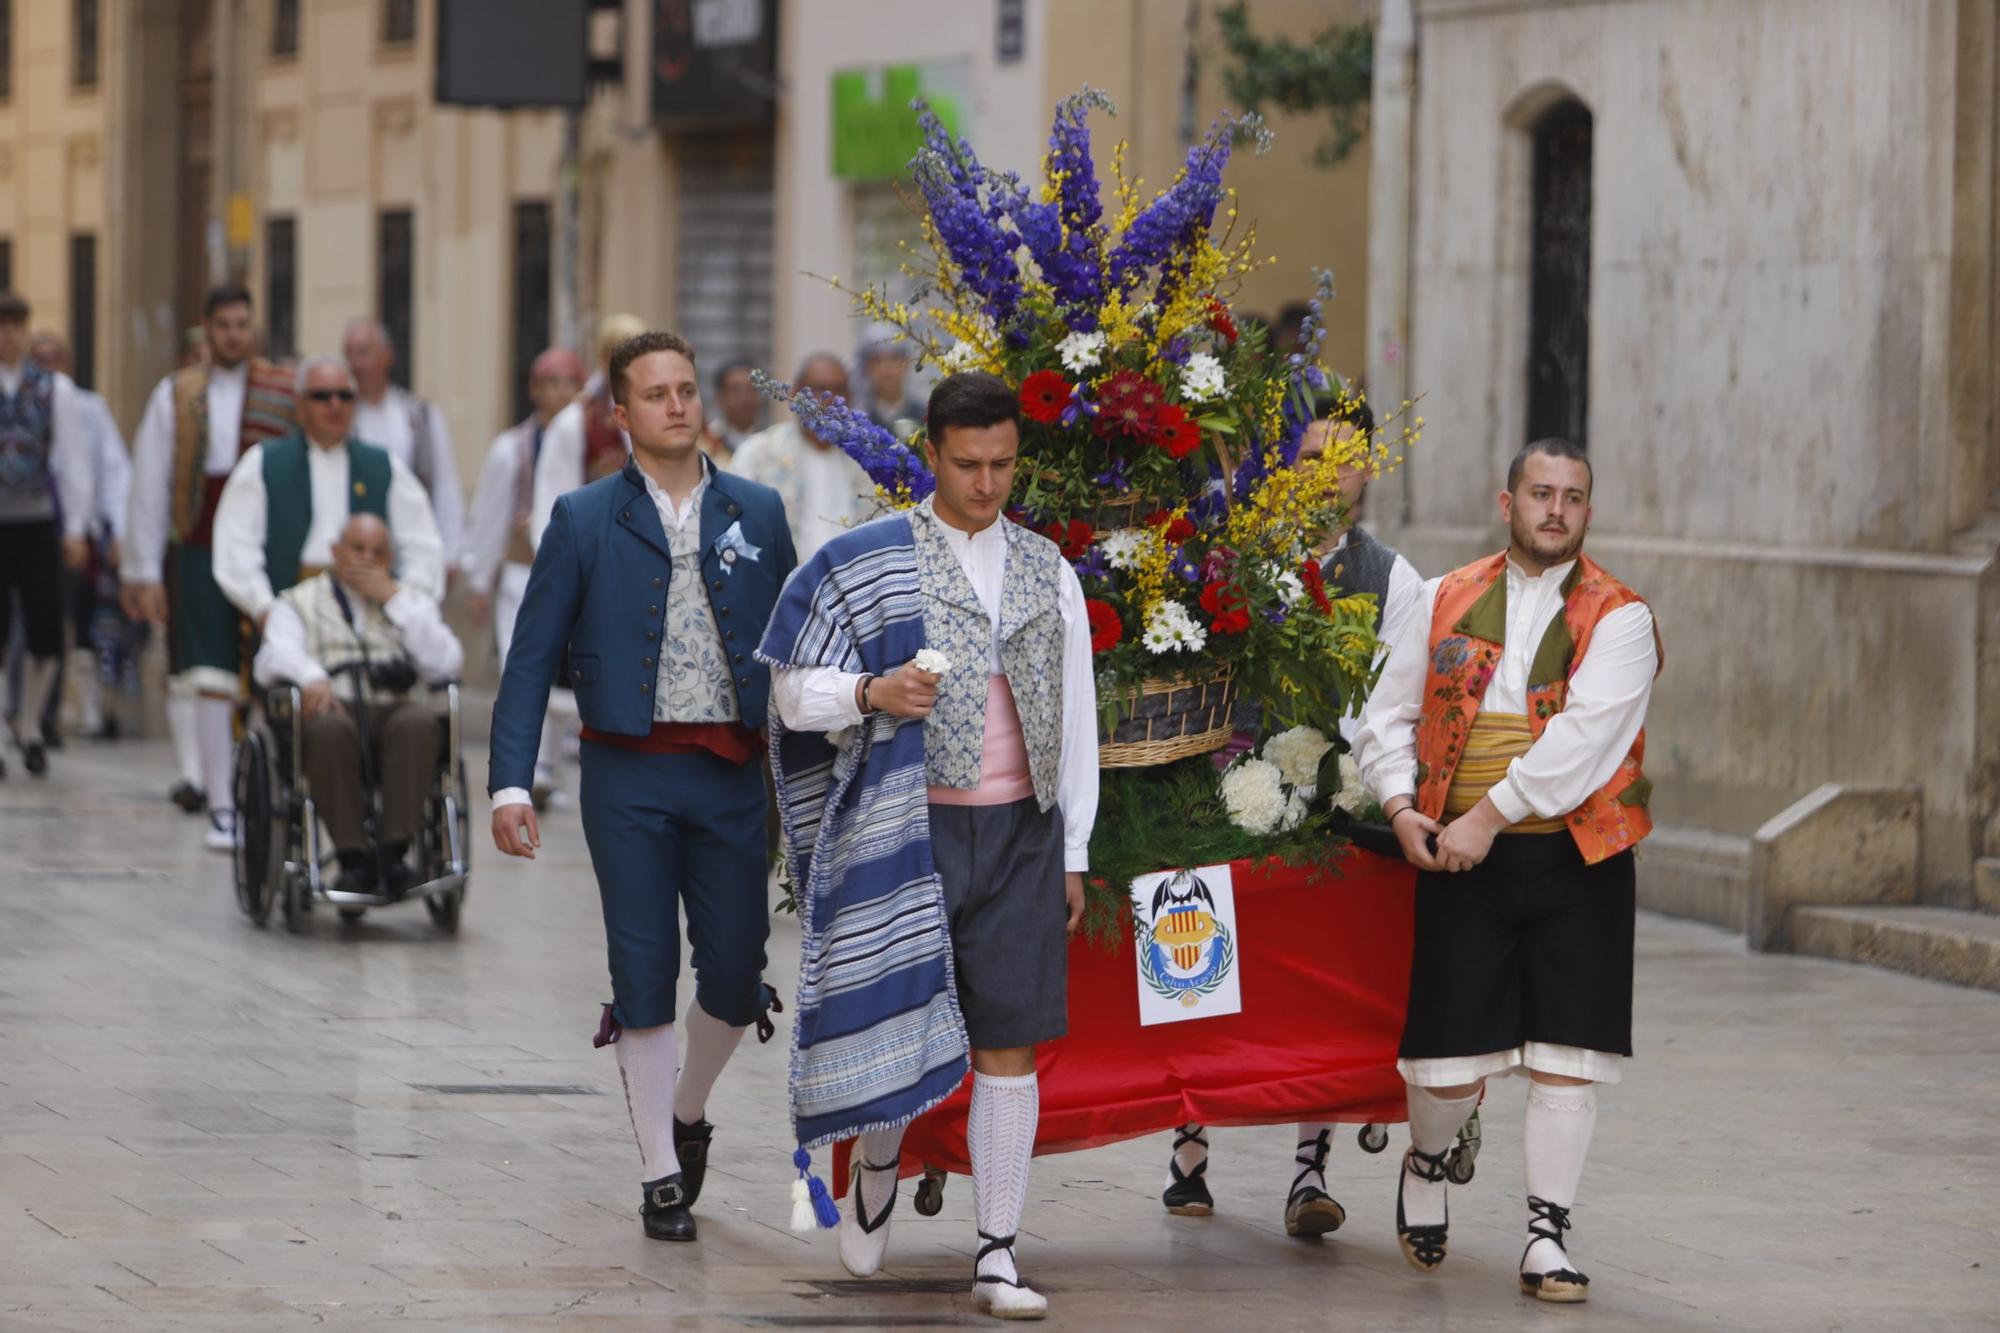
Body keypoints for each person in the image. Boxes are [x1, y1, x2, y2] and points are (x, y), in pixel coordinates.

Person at [764, 371, 1099, 1321]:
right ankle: (878, 1159)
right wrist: (872, 694)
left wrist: (1073, 845)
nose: (987, 484)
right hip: (903, 818)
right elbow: (791, 694)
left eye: (1001, 465)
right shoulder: (867, 559)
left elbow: (1076, 716)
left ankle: (997, 1252)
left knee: (1010, 1040)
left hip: (1021, 831)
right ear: (931, 456)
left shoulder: (1050, 569)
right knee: (894, 1010)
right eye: (967, 465)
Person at [489, 330, 796, 1245]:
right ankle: (662, 1170)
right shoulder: (583, 518)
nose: (677, 405)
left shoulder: (759, 509)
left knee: (738, 974)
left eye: (686, 390)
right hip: (625, 772)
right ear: (620, 415)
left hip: (735, 771)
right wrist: (510, 782)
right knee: (643, 969)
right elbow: (530, 658)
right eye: (655, 393)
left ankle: (687, 1107)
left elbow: (796, 649)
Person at [1352, 436, 1660, 1305]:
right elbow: (1389, 712)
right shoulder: (1443, 595)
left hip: (1579, 852)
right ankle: (1426, 1156)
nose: (1555, 508)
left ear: (1587, 510)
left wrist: (1485, 818)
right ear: (1508, 501)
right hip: (1457, 850)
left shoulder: (1622, 616)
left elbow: (1581, 744)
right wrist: (1401, 805)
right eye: (1540, 492)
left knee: (1570, 1052)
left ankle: (1546, 1234)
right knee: (1445, 1065)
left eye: (1572, 495)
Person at [1162, 394, 1428, 1237]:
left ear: (1369, 469)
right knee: (1205, 971)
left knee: (1318, 987)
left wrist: (1336, 776)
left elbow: (1394, 703)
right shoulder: (1229, 559)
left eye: (1345, 457)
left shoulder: (1396, 580)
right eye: (1311, 454)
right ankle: (1188, 1144)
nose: (1328, 473)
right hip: (1220, 793)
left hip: (1331, 802)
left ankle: (1309, 1169)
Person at [126, 284, 297, 838]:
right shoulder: (176, 394)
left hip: (266, 547)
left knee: (273, 663)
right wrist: (145, 569)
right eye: (223, 324)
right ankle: (221, 804)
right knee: (208, 670)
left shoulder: (283, 390)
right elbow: (151, 483)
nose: (233, 335)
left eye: (242, 324)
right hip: (199, 544)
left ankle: (267, 794)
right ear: (206, 328)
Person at [253, 513, 463, 898]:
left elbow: (446, 661)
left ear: (389, 559)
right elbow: (271, 656)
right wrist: (309, 674)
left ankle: (393, 853)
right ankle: (352, 858)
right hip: (333, 705)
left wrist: (393, 601)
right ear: (336, 551)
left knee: (418, 723)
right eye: (358, 549)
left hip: (391, 708)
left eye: (378, 552)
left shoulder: (408, 601)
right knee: (329, 729)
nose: (367, 559)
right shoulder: (299, 601)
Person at [211, 355, 445, 634]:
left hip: (369, 622)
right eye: (322, 396)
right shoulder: (263, 463)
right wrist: (266, 610)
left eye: (344, 396)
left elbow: (423, 546)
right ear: (299, 405)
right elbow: (235, 545)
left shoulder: (383, 466)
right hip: (290, 616)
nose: (334, 405)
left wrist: (399, 599)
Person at [462, 347, 585, 808]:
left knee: (566, 672)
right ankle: (525, 768)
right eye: (550, 382)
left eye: (569, 381)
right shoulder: (510, 448)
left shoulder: (595, 438)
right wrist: (480, 581)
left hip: (578, 578)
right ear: (533, 389)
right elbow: (489, 516)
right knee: (526, 667)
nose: (560, 392)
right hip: (521, 575)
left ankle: (547, 769)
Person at [20, 331, 131, 743]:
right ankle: (22, 716)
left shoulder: (87, 407)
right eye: (40, 358)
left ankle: (44, 718)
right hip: (21, 523)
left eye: (55, 357)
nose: (48, 366)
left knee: (60, 625)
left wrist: (105, 528)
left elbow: (102, 469)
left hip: (69, 531)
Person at [0, 293, 93, 780]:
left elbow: (74, 460)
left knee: (46, 633)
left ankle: (31, 722)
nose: (8, 335)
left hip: (36, 520)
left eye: (15, 325)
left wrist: (75, 527)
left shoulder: (53, 388)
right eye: (1, 326)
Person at [730, 352, 877, 561]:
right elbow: (730, 530)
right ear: (795, 393)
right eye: (818, 389)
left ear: (850, 397)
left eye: (838, 389)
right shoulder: (758, 454)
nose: (828, 399)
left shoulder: (870, 463)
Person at [344, 317, 465, 565]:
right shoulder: (341, 418)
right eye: (350, 355)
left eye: (364, 353)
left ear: (387, 356)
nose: (356, 364)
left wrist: (451, 551)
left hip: (412, 546)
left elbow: (444, 483)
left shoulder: (420, 416)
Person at [527, 313, 648, 551]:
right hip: (595, 552)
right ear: (606, 358)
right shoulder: (574, 423)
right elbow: (554, 502)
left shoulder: (661, 415)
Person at [858, 339, 924, 438]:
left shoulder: (924, 415)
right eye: (877, 360)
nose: (886, 367)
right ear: (866, 367)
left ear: (907, 362)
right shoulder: (859, 417)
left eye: (894, 358)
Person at [700, 357, 762, 463]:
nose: (744, 398)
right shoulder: (706, 444)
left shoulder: (770, 444)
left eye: (751, 389)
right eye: (735, 390)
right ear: (719, 398)